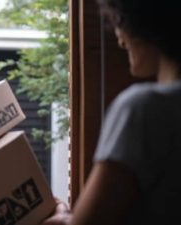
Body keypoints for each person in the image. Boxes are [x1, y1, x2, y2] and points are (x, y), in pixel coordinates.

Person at [42, 0, 181, 224]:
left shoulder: (144, 108)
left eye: (118, 21)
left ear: (144, 23)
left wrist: (61, 217)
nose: (118, 36)